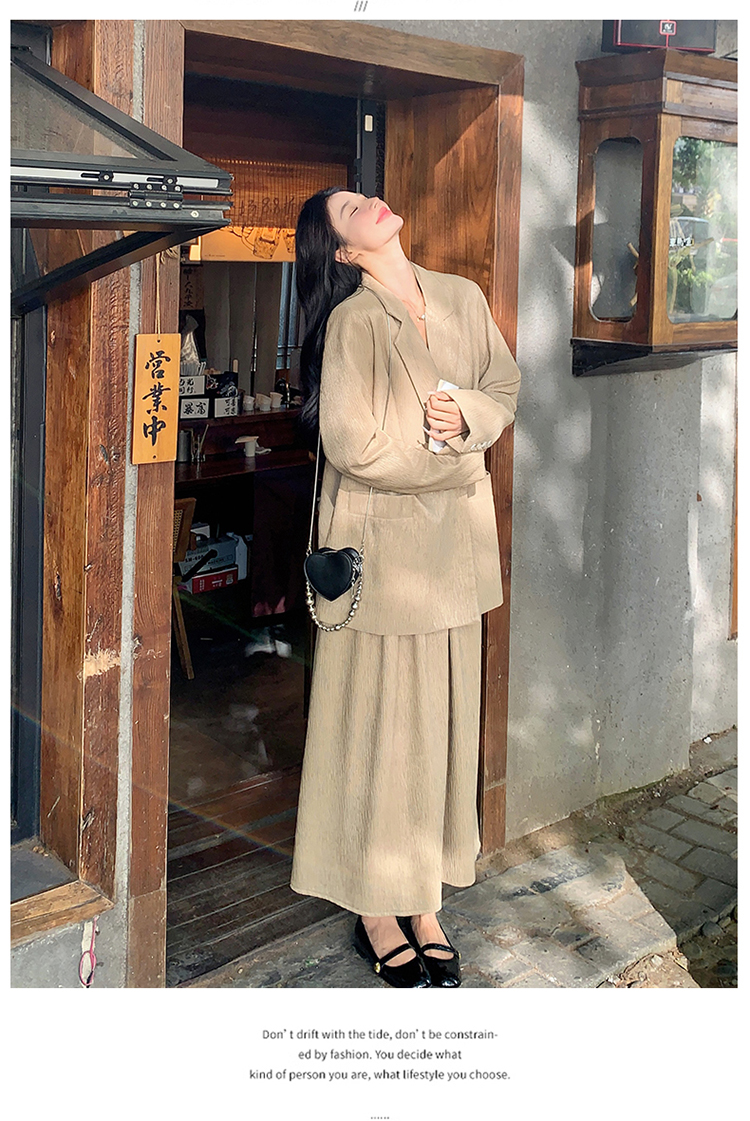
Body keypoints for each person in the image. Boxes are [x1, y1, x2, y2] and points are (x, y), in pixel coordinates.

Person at [289, 186, 521, 987]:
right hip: (385, 561)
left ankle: (424, 901)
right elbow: (353, 443)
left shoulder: (462, 296)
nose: (373, 202)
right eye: (352, 210)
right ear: (345, 252)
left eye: (365, 195)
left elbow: (505, 387)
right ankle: (376, 909)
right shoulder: (353, 321)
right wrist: (456, 458)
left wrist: (472, 417)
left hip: (454, 556)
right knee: (379, 735)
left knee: (439, 735)